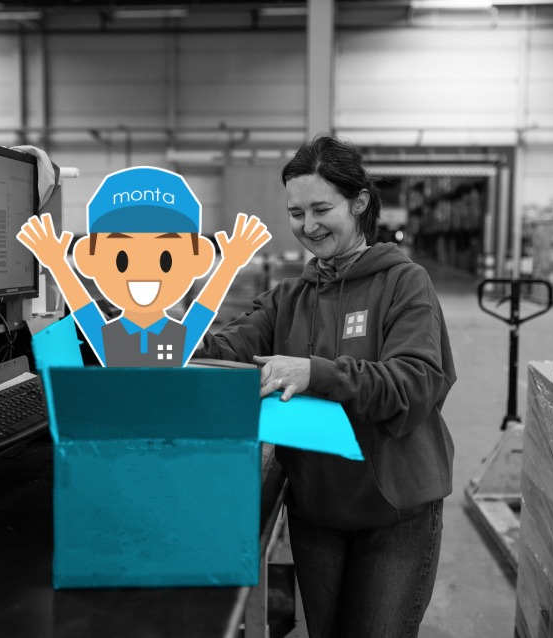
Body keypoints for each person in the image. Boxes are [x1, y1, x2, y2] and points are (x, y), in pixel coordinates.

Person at [194, 136, 456, 637]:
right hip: (317, 509)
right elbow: (224, 351)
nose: (308, 226)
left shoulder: (404, 283)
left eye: (321, 209)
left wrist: (315, 373)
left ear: (359, 203)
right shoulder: (289, 297)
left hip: (394, 511)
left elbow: (416, 382)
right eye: (296, 213)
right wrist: (150, 328)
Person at [16, 166, 270, 367]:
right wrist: (56, 262)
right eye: (122, 259)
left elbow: (204, 309)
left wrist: (231, 263)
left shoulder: (170, 338)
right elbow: (83, 310)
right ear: (87, 259)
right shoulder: (115, 338)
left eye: (165, 259)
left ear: (199, 259)